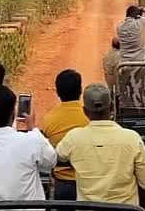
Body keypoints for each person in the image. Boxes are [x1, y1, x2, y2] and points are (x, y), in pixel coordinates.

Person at [56, 83, 145, 205]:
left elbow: (58, 156)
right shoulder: (132, 138)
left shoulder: (74, 138)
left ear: (85, 111)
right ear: (112, 108)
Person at [40, 69, 90, 201]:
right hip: (88, 183)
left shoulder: (49, 120)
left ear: (57, 92)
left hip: (62, 184)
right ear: (80, 90)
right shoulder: (90, 117)